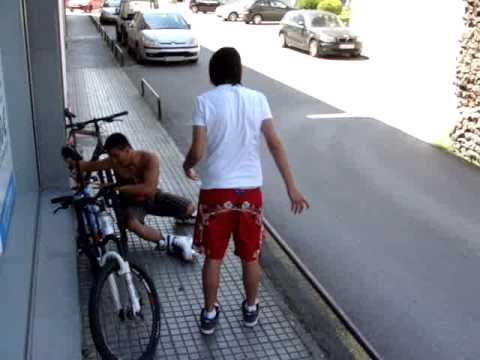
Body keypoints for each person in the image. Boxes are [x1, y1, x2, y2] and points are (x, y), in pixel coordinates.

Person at [183, 47, 310, 335]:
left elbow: (198, 150)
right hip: (250, 192)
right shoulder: (258, 99)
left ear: (213, 72)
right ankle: (251, 309)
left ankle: (209, 314)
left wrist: (186, 166)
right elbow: (275, 144)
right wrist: (292, 188)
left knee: (213, 257)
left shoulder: (204, 102)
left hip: (216, 191)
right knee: (250, 256)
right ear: (239, 71)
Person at [66, 132, 196, 250]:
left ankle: (182, 218)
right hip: (132, 205)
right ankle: (168, 240)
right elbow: (88, 166)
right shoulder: (112, 162)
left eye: (116, 156)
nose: (114, 160)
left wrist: (119, 188)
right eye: (111, 156)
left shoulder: (149, 159)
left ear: (128, 150)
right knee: (132, 224)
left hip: (153, 197)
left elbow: (148, 190)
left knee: (189, 208)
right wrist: (71, 161)